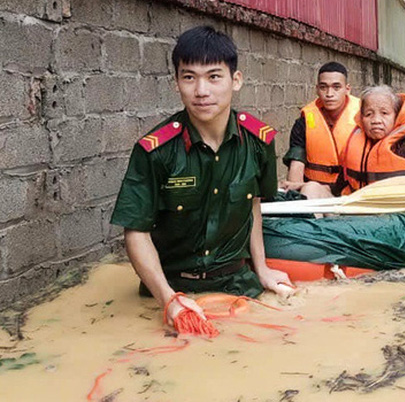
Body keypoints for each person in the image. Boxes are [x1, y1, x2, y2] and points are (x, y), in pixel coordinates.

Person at [110, 26, 292, 326]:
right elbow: (136, 232)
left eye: (214, 76)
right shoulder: (155, 150)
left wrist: (262, 268)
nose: (201, 91)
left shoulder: (260, 142)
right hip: (168, 292)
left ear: (236, 80)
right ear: (176, 83)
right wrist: (167, 299)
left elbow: (253, 205)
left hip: (239, 286)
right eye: (189, 77)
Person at [305, 85, 405, 210]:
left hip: (393, 217)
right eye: (369, 114)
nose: (376, 120)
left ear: (396, 117)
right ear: (361, 118)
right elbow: (339, 186)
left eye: (384, 113)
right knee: (311, 188)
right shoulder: (353, 144)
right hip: (355, 211)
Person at [282, 62, 360, 191]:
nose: (329, 94)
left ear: (347, 89)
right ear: (317, 89)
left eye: (336, 87)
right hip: (316, 190)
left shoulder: (363, 117)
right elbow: (296, 164)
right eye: (324, 87)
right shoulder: (304, 122)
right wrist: (294, 195)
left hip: (352, 191)